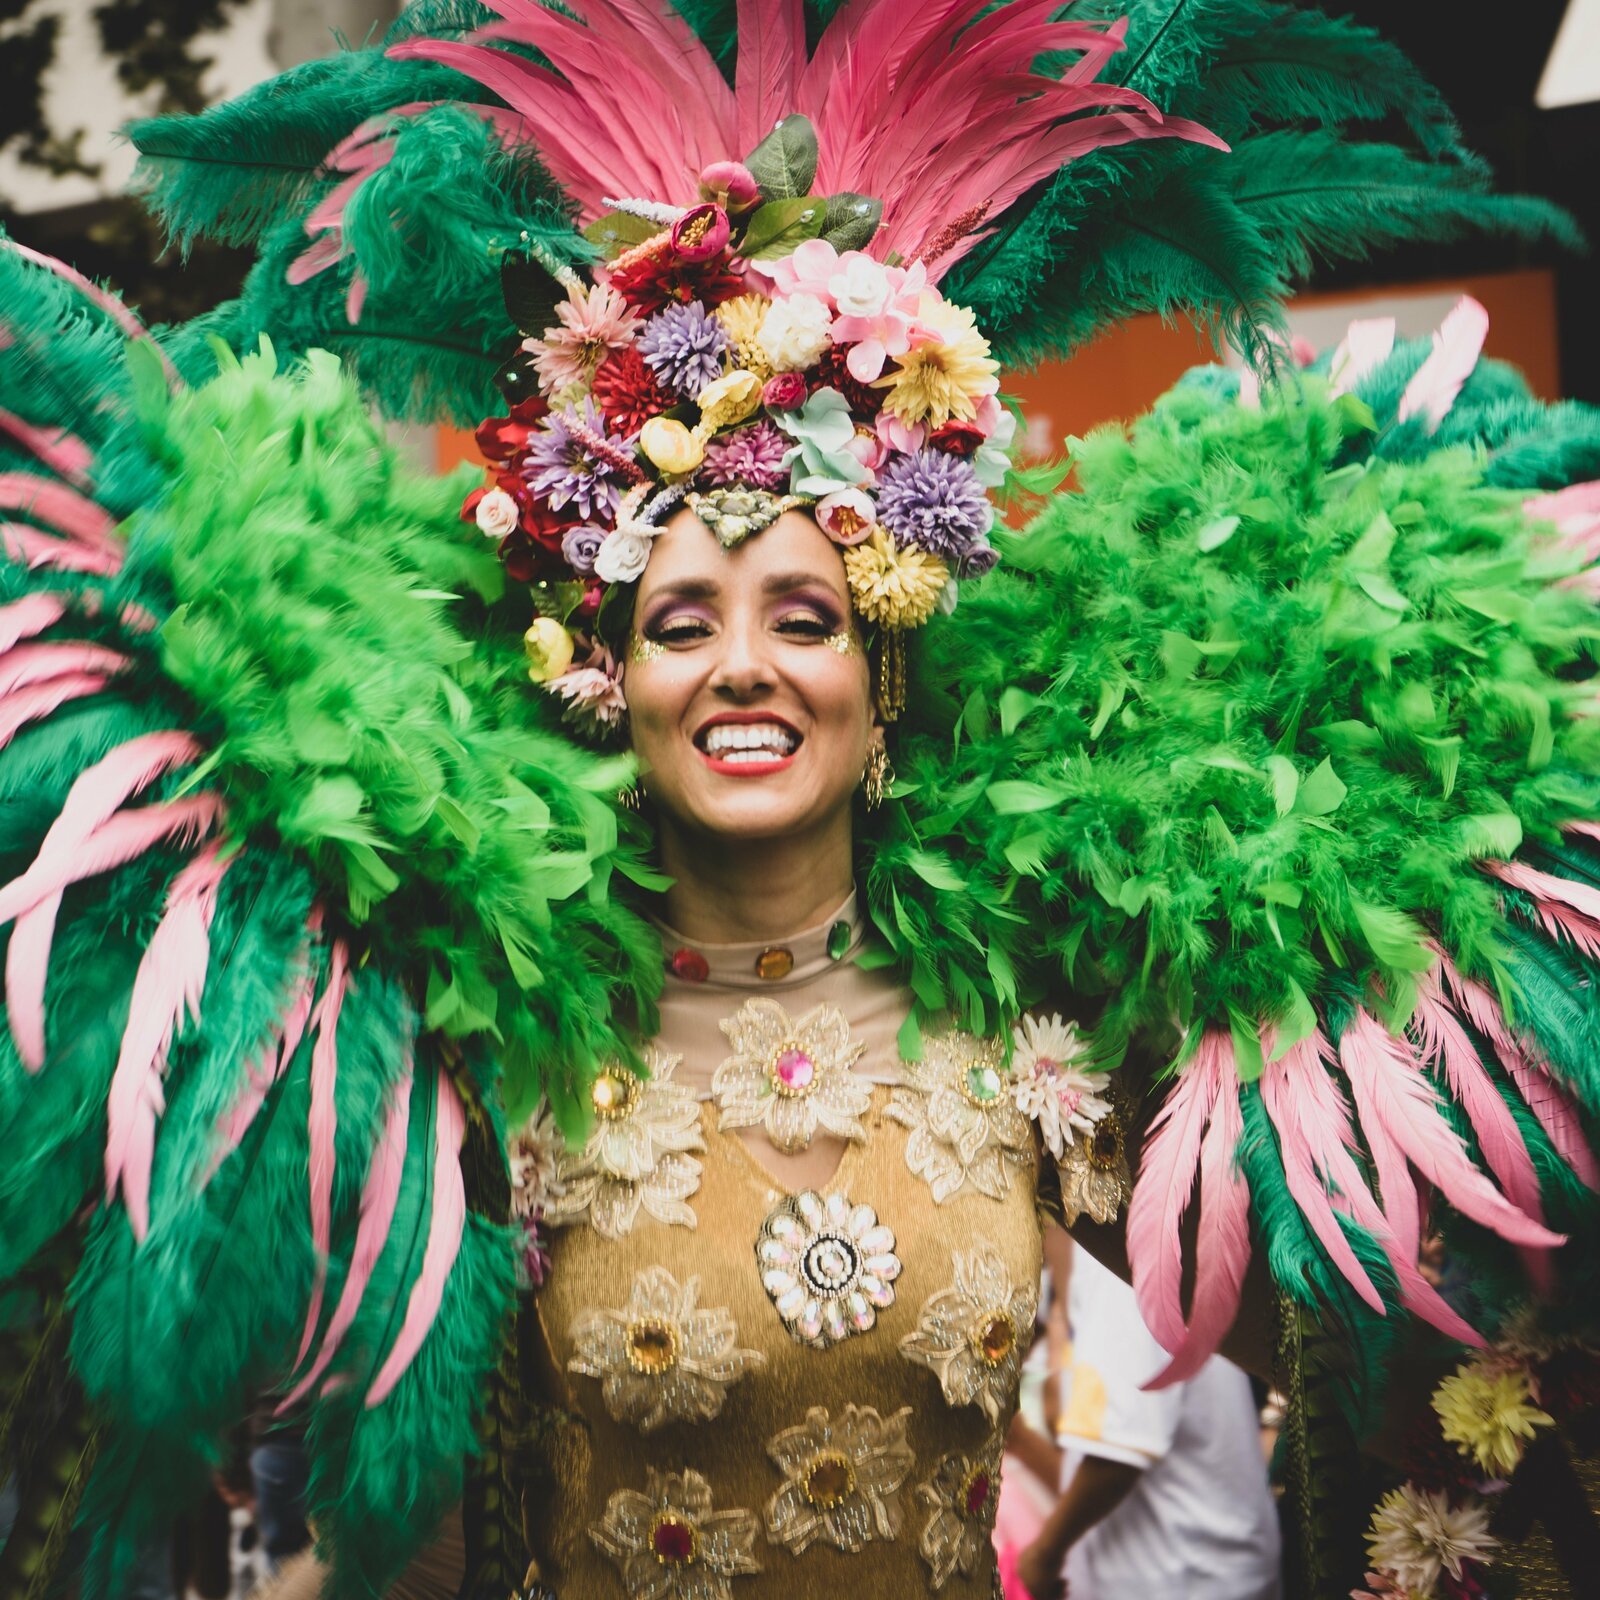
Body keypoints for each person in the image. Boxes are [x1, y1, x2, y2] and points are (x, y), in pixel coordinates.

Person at [1, 4, 1598, 1599]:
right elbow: (403, 1523)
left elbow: (1350, 1355)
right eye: (682, 623)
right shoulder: (501, 1054)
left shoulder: (1042, 1037)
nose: (745, 669)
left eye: (808, 617)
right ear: (606, 678)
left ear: (880, 678)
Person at [1016, 1246, 1280, 1600]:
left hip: (1184, 1576)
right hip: (1186, 1565)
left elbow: (1116, 1460)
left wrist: (1042, 1557)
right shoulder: (1100, 1268)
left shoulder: (1116, 1271)